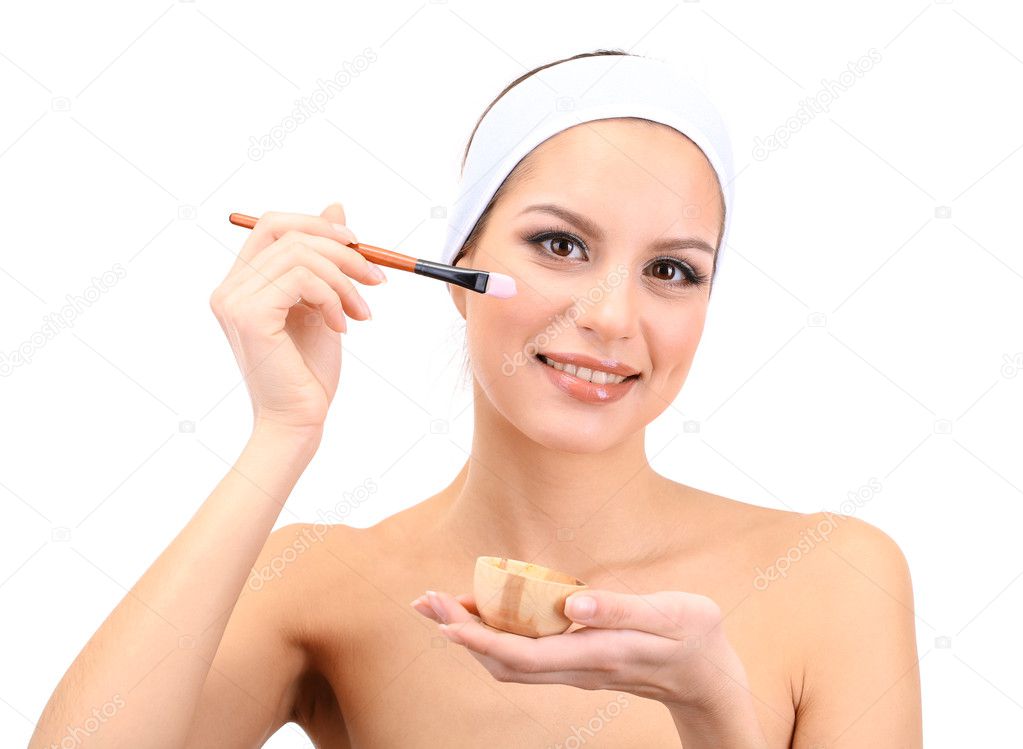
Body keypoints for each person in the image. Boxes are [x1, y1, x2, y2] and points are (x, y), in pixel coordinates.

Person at [31, 49, 922, 748]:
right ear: (457, 268)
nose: (611, 315)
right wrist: (281, 432)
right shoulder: (319, 585)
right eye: (560, 246)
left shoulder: (832, 575)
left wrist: (715, 710)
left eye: (670, 269)